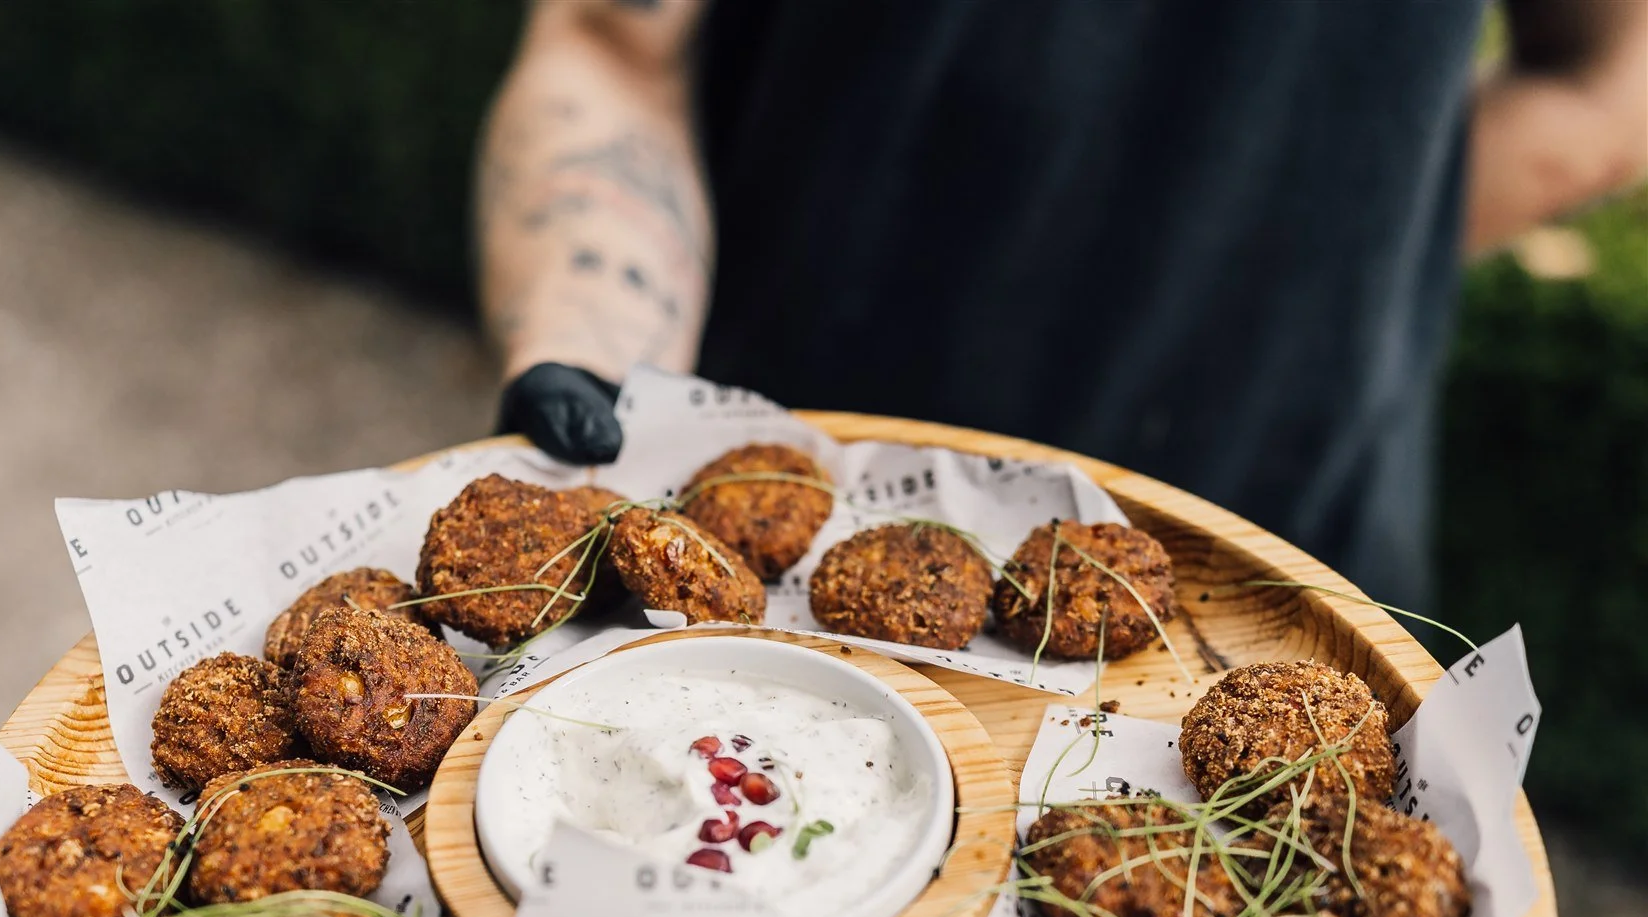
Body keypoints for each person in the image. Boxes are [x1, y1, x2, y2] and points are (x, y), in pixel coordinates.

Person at [478, 0, 1647, 605]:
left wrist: (1334, 250)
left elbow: (1609, 76)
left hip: (1275, 573)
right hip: (753, 532)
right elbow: (614, 42)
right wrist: (591, 364)